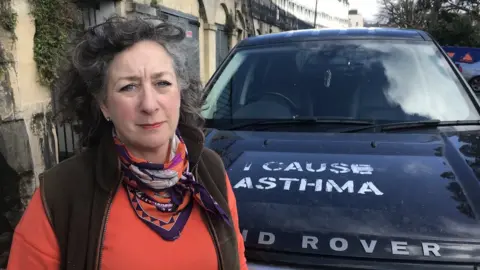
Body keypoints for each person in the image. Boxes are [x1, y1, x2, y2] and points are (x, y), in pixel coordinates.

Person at [7, 16, 247, 270]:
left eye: (162, 83)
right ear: (104, 105)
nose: (149, 105)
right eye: (128, 87)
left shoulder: (210, 170)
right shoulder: (60, 193)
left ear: (180, 91)